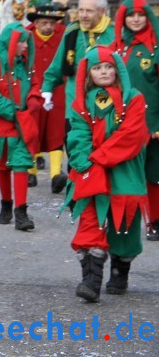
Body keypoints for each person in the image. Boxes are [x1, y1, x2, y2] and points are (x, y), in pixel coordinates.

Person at [64, 47, 149, 302]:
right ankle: (91, 282)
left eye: (109, 66)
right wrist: (84, 162)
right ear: (89, 74)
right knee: (90, 219)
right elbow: (78, 134)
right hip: (92, 171)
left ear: (117, 69)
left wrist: (99, 157)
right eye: (97, 67)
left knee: (124, 225)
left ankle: (120, 270)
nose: (104, 71)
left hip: (124, 169)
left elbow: (131, 136)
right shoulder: (82, 103)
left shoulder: (133, 98)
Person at [40, 0, 116, 160]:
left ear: (101, 11)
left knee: (102, 156)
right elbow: (57, 64)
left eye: (88, 11)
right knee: (76, 154)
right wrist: (47, 89)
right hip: (75, 105)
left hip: (106, 106)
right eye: (80, 10)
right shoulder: (72, 31)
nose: (83, 15)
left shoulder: (114, 32)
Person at [0, 24, 38, 231]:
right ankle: (6, 204)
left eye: (26, 41)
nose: (25, 45)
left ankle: (21, 212)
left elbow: (35, 85)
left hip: (22, 124)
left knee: (21, 163)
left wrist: (33, 99)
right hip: (1, 125)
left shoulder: (25, 65)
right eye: (21, 41)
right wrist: (13, 110)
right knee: (3, 165)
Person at [111, 0, 159, 241]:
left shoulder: (156, 46)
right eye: (131, 15)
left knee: (154, 173)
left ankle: (155, 221)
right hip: (124, 123)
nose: (136, 19)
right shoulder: (116, 47)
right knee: (129, 173)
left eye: (141, 15)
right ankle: (126, 221)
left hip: (153, 123)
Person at [26, 0, 68, 193]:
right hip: (32, 91)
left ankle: (55, 175)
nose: (48, 26)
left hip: (58, 91)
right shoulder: (25, 39)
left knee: (56, 131)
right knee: (32, 130)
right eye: (44, 22)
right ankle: (31, 171)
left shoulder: (63, 38)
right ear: (36, 22)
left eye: (52, 23)